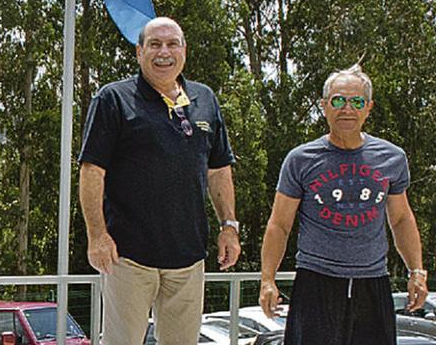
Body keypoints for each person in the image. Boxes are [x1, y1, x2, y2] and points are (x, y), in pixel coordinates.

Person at [78, 17, 241, 345]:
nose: (163, 52)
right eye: (154, 44)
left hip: (188, 259)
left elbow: (219, 169)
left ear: (184, 51)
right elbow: (92, 171)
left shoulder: (205, 98)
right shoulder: (113, 99)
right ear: (139, 52)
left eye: (172, 44)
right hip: (128, 257)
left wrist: (229, 226)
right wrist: (97, 236)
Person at [259, 64, 429, 345]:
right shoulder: (301, 159)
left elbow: (400, 219)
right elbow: (279, 224)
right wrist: (268, 279)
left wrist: (417, 271)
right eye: (338, 100)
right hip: (316, 282)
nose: (346, 109)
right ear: (324, 106)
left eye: (356, 101)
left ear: (368, 107)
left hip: (372, 282)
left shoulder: (392, 158)